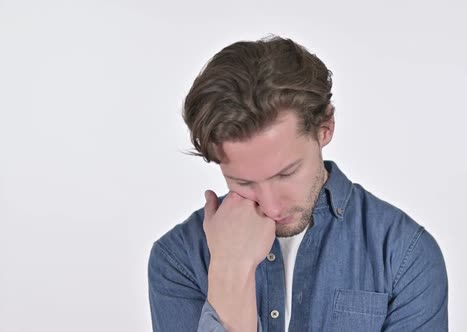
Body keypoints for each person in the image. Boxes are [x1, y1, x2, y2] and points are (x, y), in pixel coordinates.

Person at [148, 36, 448, 332]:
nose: (271, 206)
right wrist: (231, 268)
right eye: (243, 182)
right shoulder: (179, 258)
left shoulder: (403, 253)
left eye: (286, 173)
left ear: (325, 128)